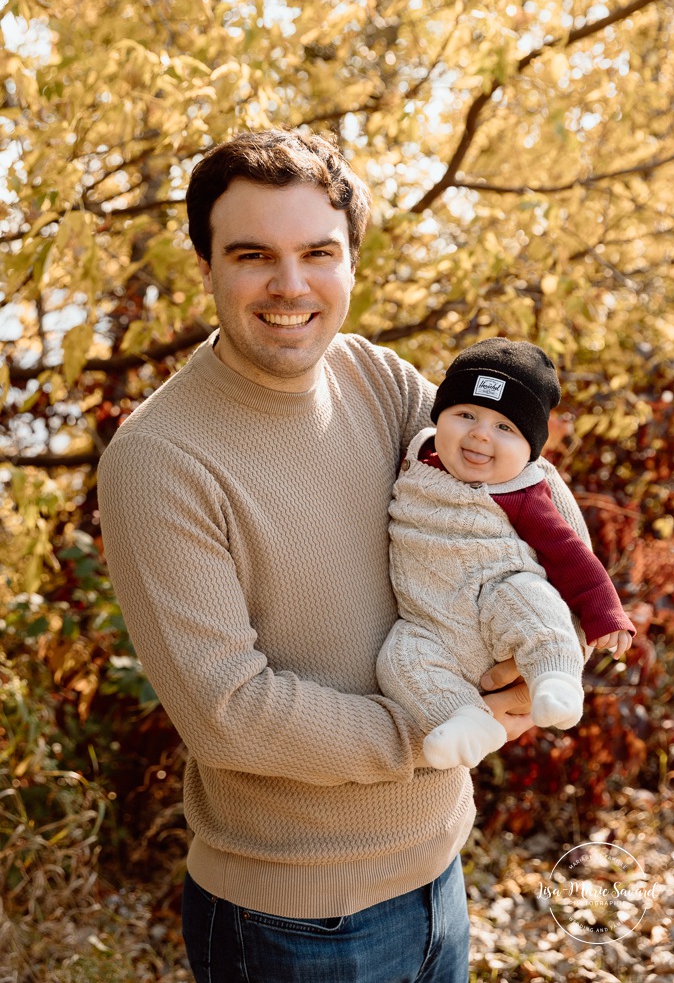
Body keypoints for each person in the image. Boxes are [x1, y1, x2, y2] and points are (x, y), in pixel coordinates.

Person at [98, 130, 589, 983]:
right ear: (206, 265)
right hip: (293, 920)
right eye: (253, 254)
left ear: (351, 261)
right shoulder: (158, 460)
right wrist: (442, 726)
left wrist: (542, 646)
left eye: (317, 253)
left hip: (439, 868)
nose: (290, 286)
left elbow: (522, 489)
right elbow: (229, 713)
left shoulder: (375, 377)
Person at [377, 338, 635, 771]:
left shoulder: (521, 490)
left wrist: (605, 614)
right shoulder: (417, 455)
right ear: (438, 418)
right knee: (399, 660)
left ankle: (554, 675)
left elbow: (569, 554)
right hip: (429, 622)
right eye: (465, 415)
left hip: (496, 596)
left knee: (528, 599)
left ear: (530, 451)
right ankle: (463, 719)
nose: (480, 433)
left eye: (505, 428)